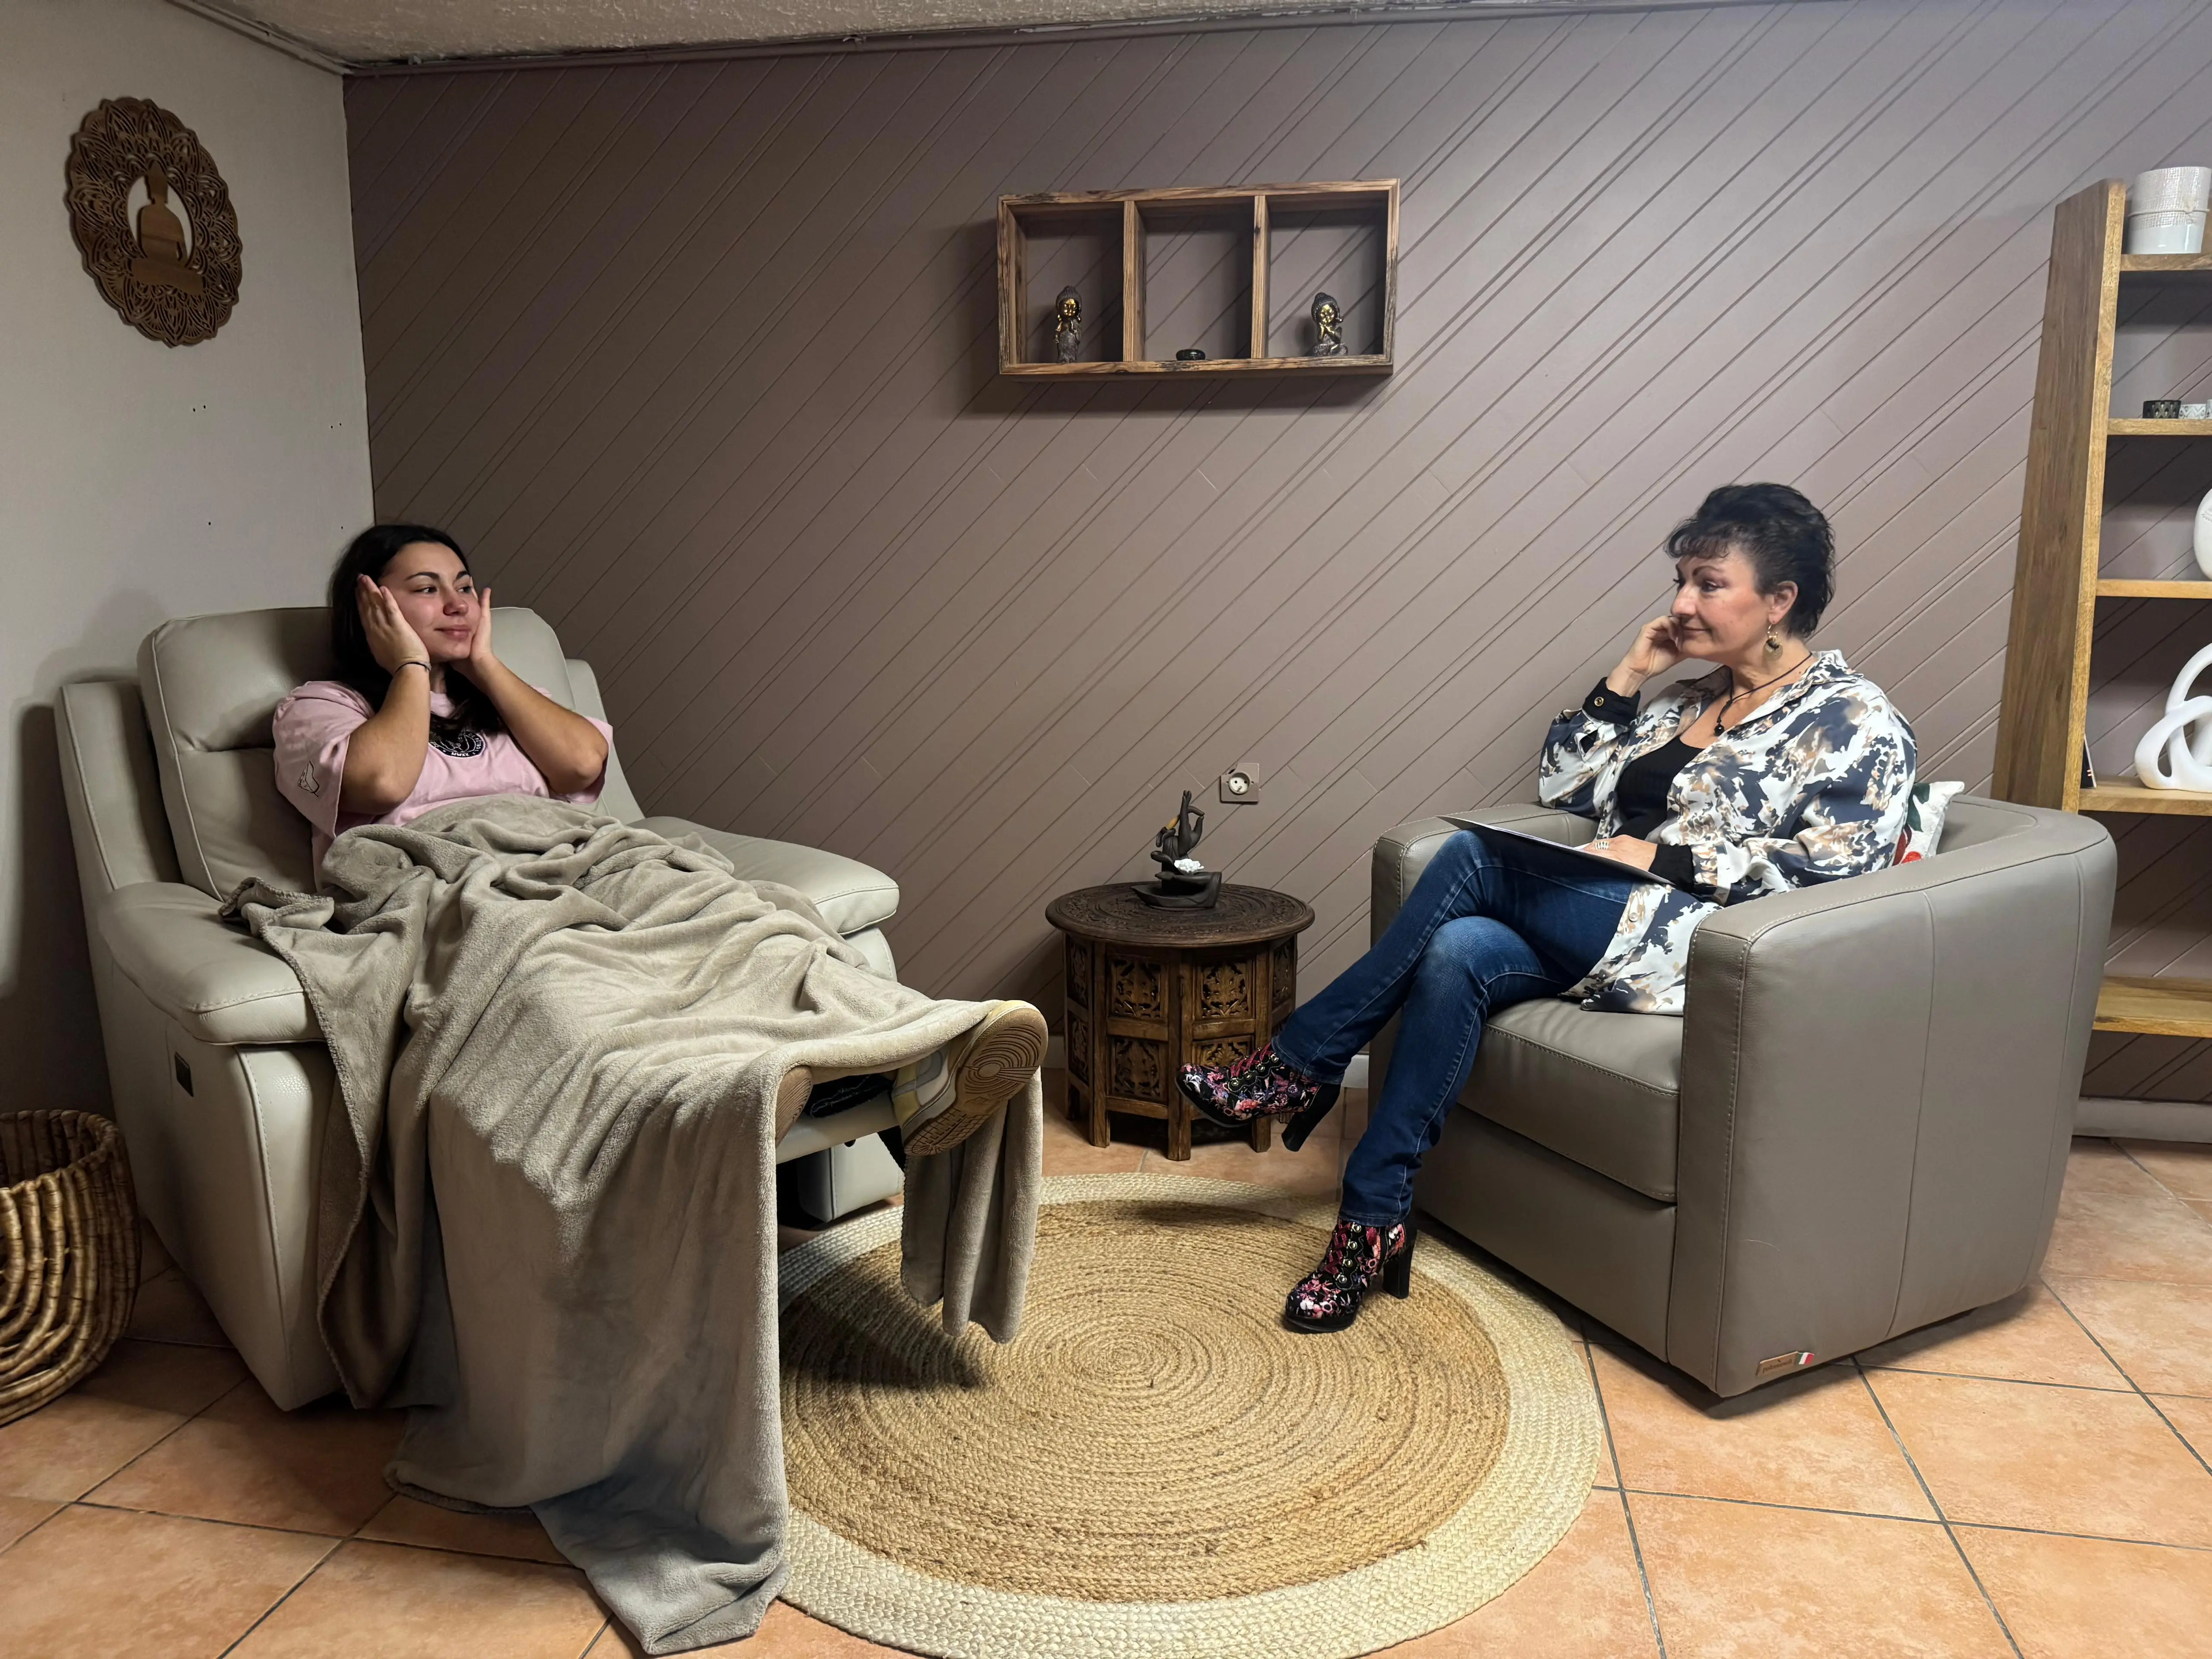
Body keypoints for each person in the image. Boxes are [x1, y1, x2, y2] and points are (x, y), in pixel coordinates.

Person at [1178, 483, 1917, 1333]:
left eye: (1708, 583)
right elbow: (1563, 784)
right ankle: (1369, 1222)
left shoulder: (1854, 719)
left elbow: (1843, 876)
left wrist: (1665, 853)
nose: (1681, 602)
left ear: (1780, 600)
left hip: (1692, 942)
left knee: (1467, 852)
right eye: (1680, 580)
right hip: (1600, 918)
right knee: (1457, 949)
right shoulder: (1690, 699)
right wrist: (1635, 671)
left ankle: (1293, 1067)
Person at [275, 523, 1041, 1157]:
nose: (457, 601)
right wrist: (410, 665)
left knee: (742, 919)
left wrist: (483, 660)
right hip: (465, 885)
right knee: (558, 965)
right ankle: (731, 1095)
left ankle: (922, 1053)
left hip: (584, 858)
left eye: (466, 585)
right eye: (425, 588)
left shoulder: (501, 699)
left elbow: (583, 765)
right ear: (371, 604)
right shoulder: (320, 707)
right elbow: (378, 785)